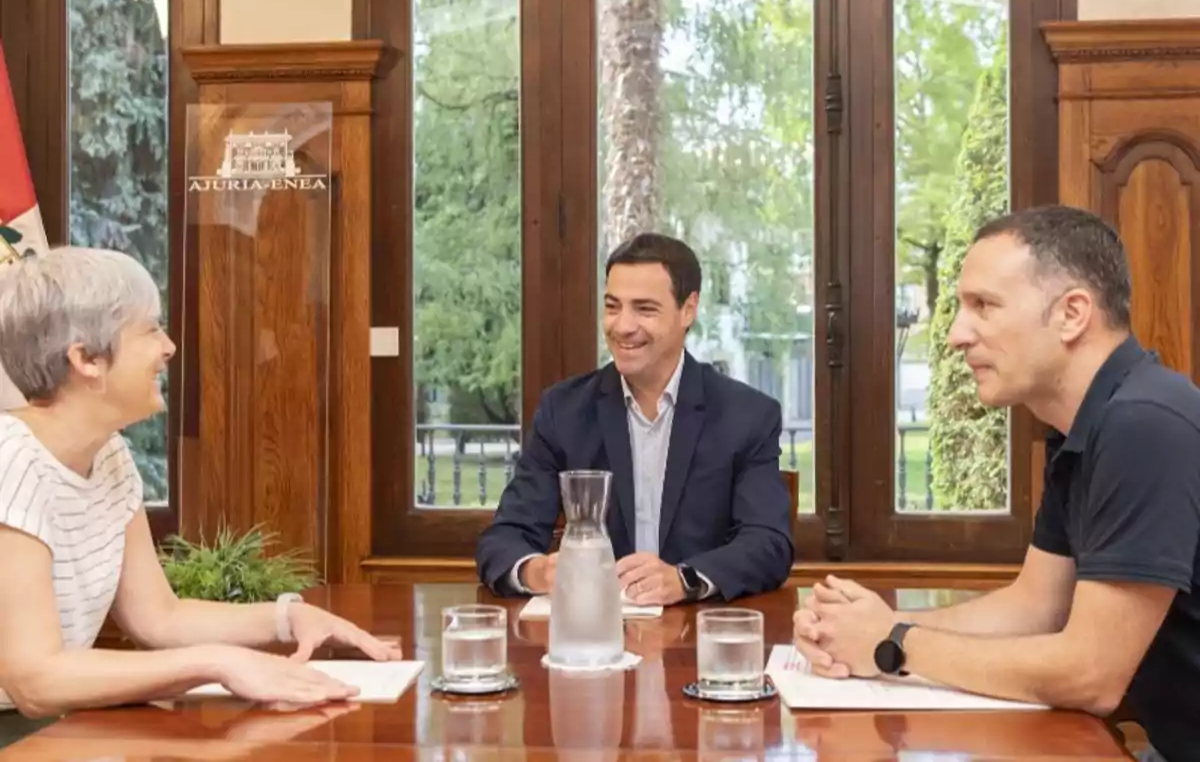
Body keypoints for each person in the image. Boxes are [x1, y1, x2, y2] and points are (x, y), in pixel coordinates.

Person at [792, 206, 1198, 762]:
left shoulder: (1143, 423)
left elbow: (1091, 675)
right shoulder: (1085, 426)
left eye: (983, 306)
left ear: (1072, 314)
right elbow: (1036, 607)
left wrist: (894, 645)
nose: (957, 335)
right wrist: (875, 629)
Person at [0, 246, 400, 723]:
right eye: (150, 329)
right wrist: (217, 662)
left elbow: (158, 618)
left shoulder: (109, 455)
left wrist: (287, 619)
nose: (168, 347)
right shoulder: (12, 462)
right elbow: (36, 681)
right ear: (86, 358)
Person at [475, 232, 794, 605]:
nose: (622, 326)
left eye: (644, 309)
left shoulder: (747, 416)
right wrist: (538, 571)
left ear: (688, 310)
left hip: (694, 635)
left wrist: (682, 579)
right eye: (613, 307)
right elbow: (503, 539)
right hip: (592, 632)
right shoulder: (564, 411)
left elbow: (768, 543)